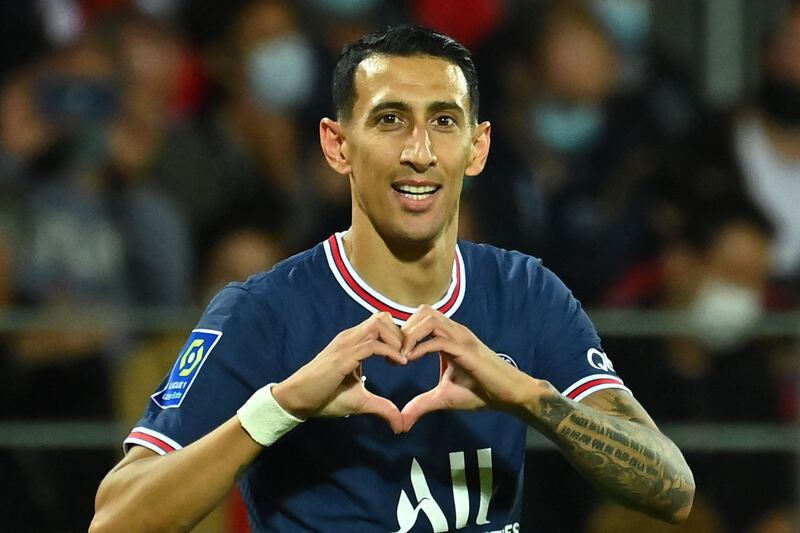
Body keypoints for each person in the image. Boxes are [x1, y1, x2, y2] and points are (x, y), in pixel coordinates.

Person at [90, 25, 694, 532]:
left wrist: (528, 397)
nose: (420, 152)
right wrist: (279, 408)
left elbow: (673, 488)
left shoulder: (528, 295)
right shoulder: (265, 312)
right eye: (389, 120)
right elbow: (116, 519)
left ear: (477, 148)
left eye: (444, 122)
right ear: (337, 145)